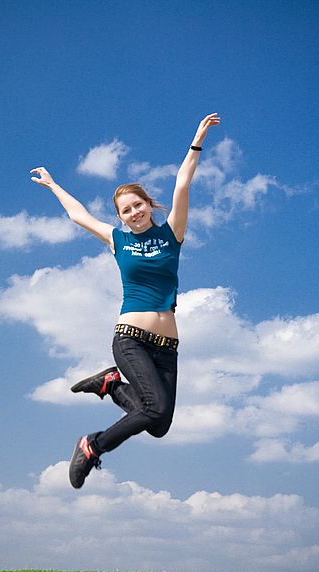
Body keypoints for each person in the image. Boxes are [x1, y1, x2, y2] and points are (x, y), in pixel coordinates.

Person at [30, 113, 221, 489]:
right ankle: (92, 446)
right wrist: (53, 185)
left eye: (138, 205)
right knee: (154, 409)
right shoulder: (119, 241)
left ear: (149, 205)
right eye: (125, 210)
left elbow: (183, 184)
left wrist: (196, 142)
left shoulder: (172, 234)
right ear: (119, 217)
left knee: (160, 425)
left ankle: (111, 385)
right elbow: (77, 215)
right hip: (131, 337)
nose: (133, 213)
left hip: (167, 347)